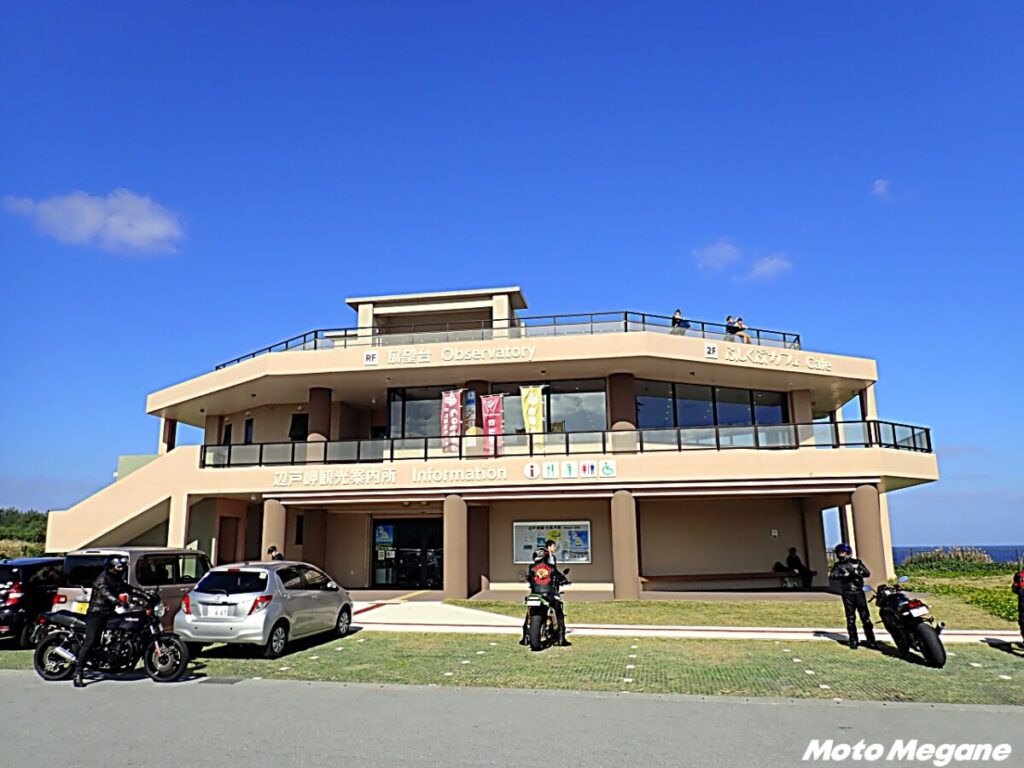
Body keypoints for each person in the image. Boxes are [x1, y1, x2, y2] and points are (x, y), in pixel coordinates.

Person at [73, 556, 138, 688]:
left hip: (109, 613)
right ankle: (78, 672)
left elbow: (128, 588)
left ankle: (112, 655)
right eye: (119, 567)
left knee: (120, 627)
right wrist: (117, 601)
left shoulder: (116, 579)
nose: (122, 569)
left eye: (123, 567)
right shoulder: (102, 579)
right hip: (96, 613)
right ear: (111, 567)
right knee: (91, 641)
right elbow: (105, 592)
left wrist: (144, 594)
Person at [520, 547, 571, 647]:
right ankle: (561, 639)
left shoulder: (531, 567)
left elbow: (529, 578)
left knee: (529, 611)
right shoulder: (551, 567)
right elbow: (560, 577)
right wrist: (564, 580)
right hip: (549, 595)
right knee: (559, 611)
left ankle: (525, 637)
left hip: (535, 594)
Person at [828, 543, 876, 650]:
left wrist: (856, 572)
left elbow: (867, 573)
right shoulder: (838, 565)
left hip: (859, 592)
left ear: (848, 553)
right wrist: (843, 575)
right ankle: (853, 640)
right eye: (839, 553)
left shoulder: (857, 563)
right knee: (850, 618)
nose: (841, 555)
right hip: (847, 594)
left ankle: (871, 640)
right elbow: (832, 576)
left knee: (865, 617)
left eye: (842, 553)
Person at [1013, 567, 1024, 646]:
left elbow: (1014, 588)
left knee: (1022, 622)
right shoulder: (1019, 575)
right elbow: (1015, 588)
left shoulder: (1019, 575)